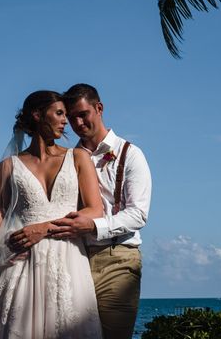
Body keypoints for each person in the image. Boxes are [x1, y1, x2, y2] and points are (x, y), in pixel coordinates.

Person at [0, 90, 104, 338]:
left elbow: (94, 209)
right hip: (19, 267)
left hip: (68, 263)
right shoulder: (8, 167)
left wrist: (43, 228)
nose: (67, 121)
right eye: (60, 113)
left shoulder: (78, 157)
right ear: (37, 115)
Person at [50, 84, 152, 339]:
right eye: (71, 117)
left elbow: (138, 214)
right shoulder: (66, 158)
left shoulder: (131, 154)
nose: (77, 122)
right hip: (74, 258)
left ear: (99, 108)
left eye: (83, 114)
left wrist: (94, 226)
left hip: (118, 258)